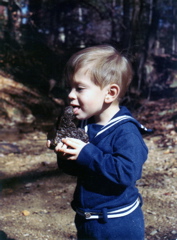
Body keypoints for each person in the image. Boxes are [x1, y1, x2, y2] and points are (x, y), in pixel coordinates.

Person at [47, 45, 150, 240]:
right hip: (87, 219)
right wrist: (66, 155)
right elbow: (82, 169)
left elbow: (127, 173)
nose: (70, 95)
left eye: (79, 88)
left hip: (117, 223)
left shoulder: (126, 132)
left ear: (110, 93)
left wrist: (87, 153)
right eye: (70, 87)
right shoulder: (85, 126)